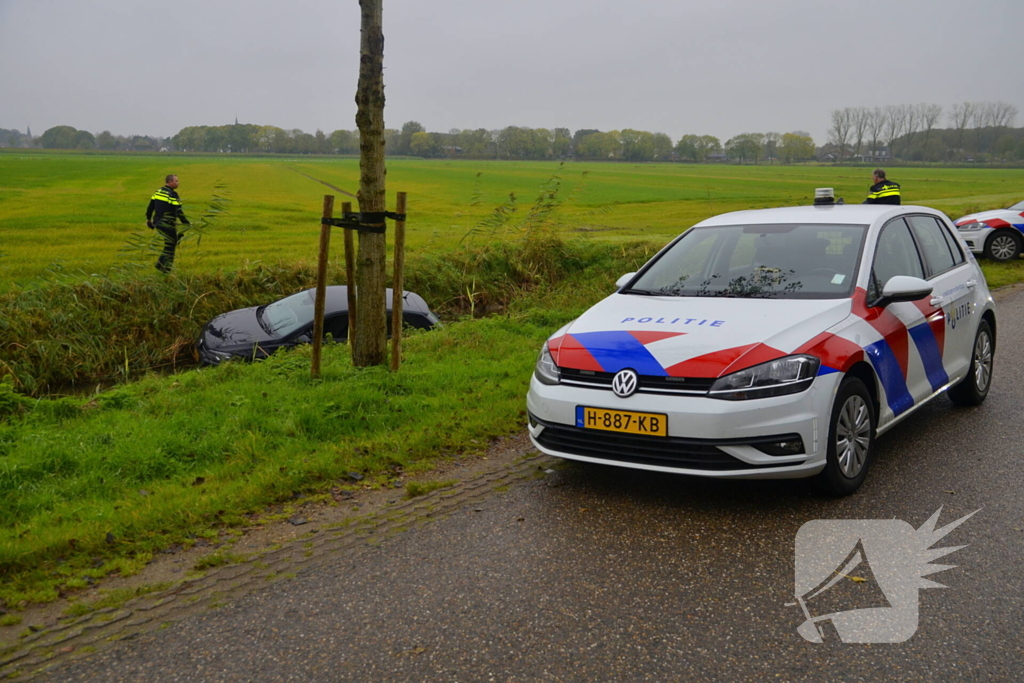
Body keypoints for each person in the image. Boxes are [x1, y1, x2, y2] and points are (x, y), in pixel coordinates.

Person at [146, 174, 191, 272]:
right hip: (168, 224)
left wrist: (148, 220)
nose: (178, 183)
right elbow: (178, 211)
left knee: (169, 244)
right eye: (176, 181)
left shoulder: (158, 192)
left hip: (158, 223)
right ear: (170, 182)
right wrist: (186, 223)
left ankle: (161, 265)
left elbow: (150, 207)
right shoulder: (172, 195)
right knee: (171, 246)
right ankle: (165, 268)